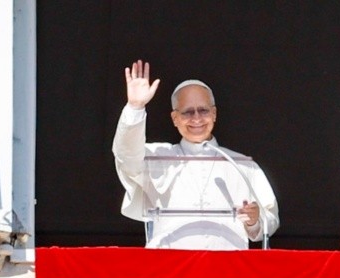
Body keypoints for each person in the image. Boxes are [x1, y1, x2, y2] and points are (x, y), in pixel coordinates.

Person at [112, 60, 279, 250]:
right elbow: (126, 156)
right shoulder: (157, 158)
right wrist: (135, 107)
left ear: (214, 113)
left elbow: (270, 219)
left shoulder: (241, 165)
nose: (197, 118)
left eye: (203, 110)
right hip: (170, 269)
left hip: (227, 270)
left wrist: (254, 221)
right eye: (188, 112)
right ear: (175, 119)